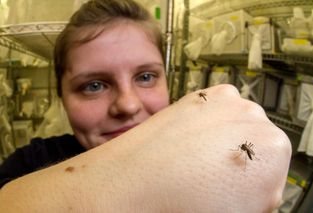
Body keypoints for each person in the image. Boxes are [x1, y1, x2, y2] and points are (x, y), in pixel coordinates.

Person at [0, 0, 291, 212]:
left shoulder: (205, 162)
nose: (127, 104)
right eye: (94, 85)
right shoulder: (27, 164)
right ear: (61, 97)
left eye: (146, 76)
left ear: (168, 81)